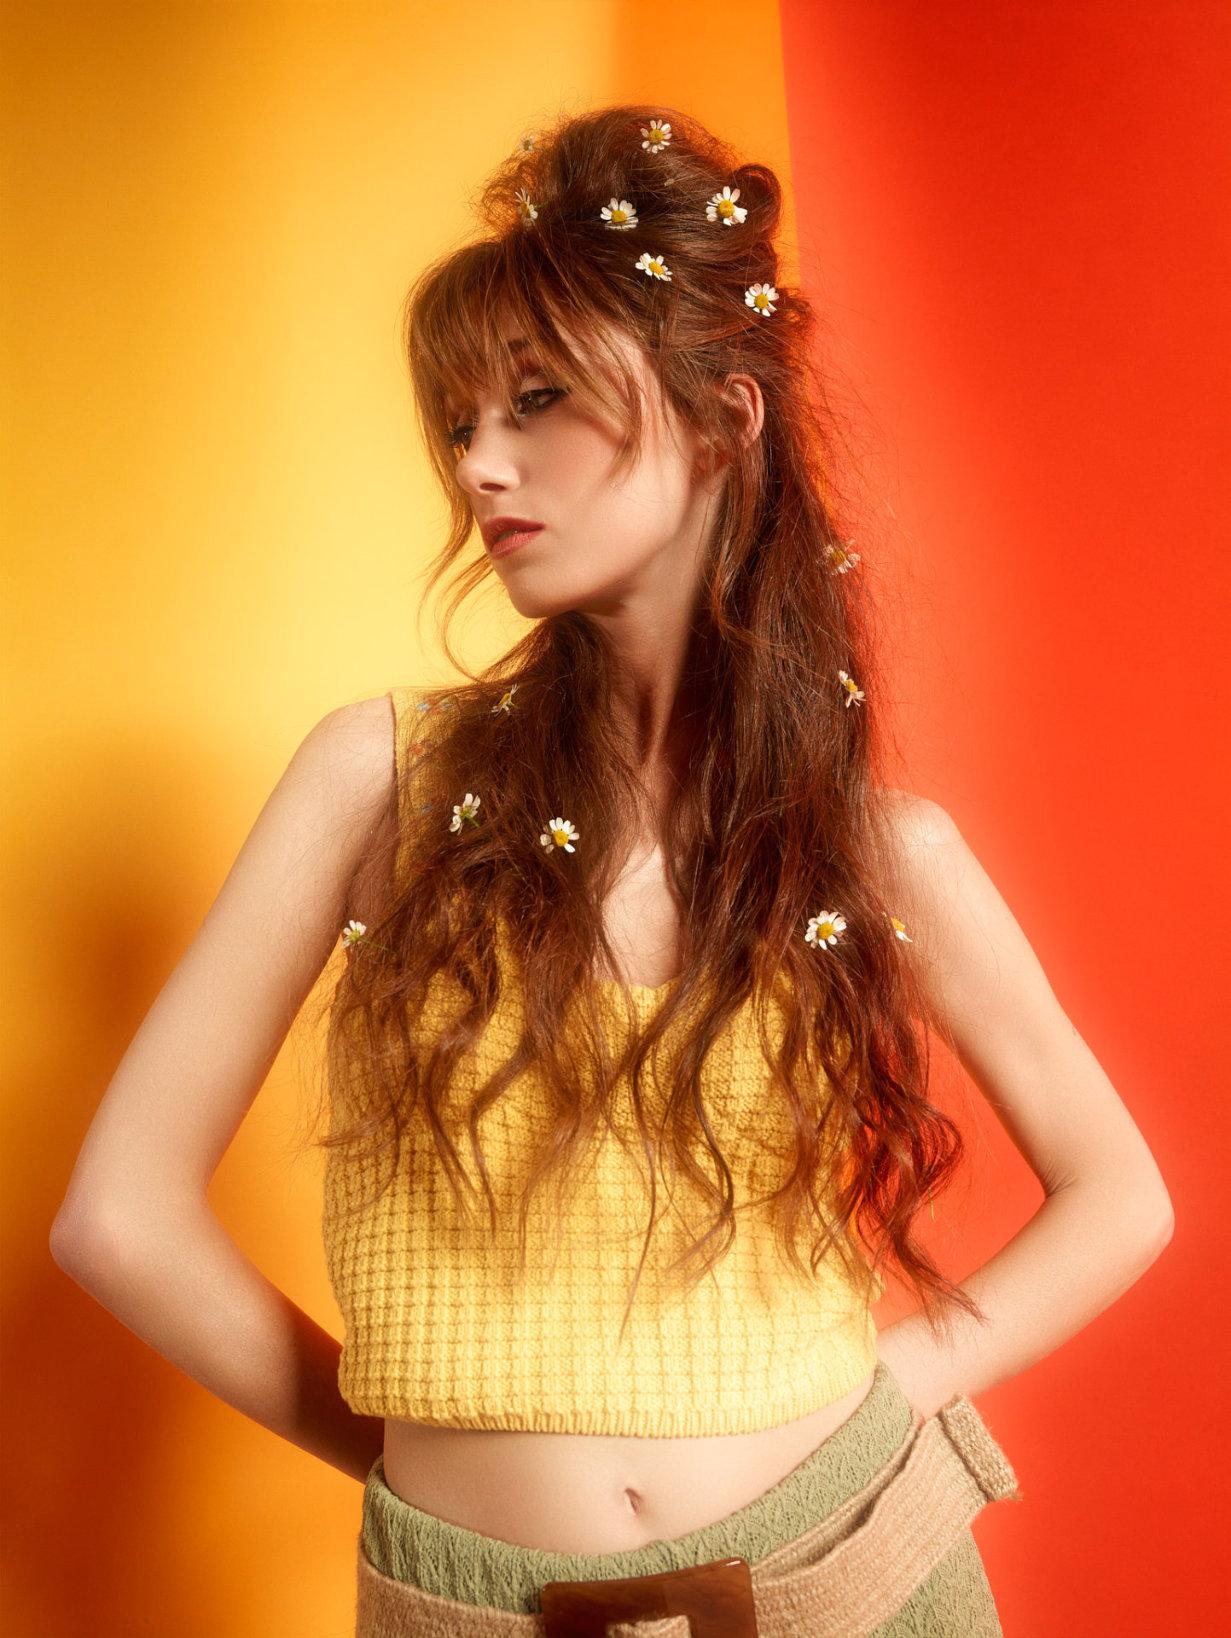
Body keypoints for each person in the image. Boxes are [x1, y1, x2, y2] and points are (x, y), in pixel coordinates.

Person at [52, 104, 1174, 1636]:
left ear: (723, 419)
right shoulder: (380, 778)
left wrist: (889, 1387)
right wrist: (410, 1467)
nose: (480, 464)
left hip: (852, 1565)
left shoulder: (873, 848)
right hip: (476, 1604)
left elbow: (1123, 1196)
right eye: (460, 421)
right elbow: (117, 1216)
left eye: (537, 400)